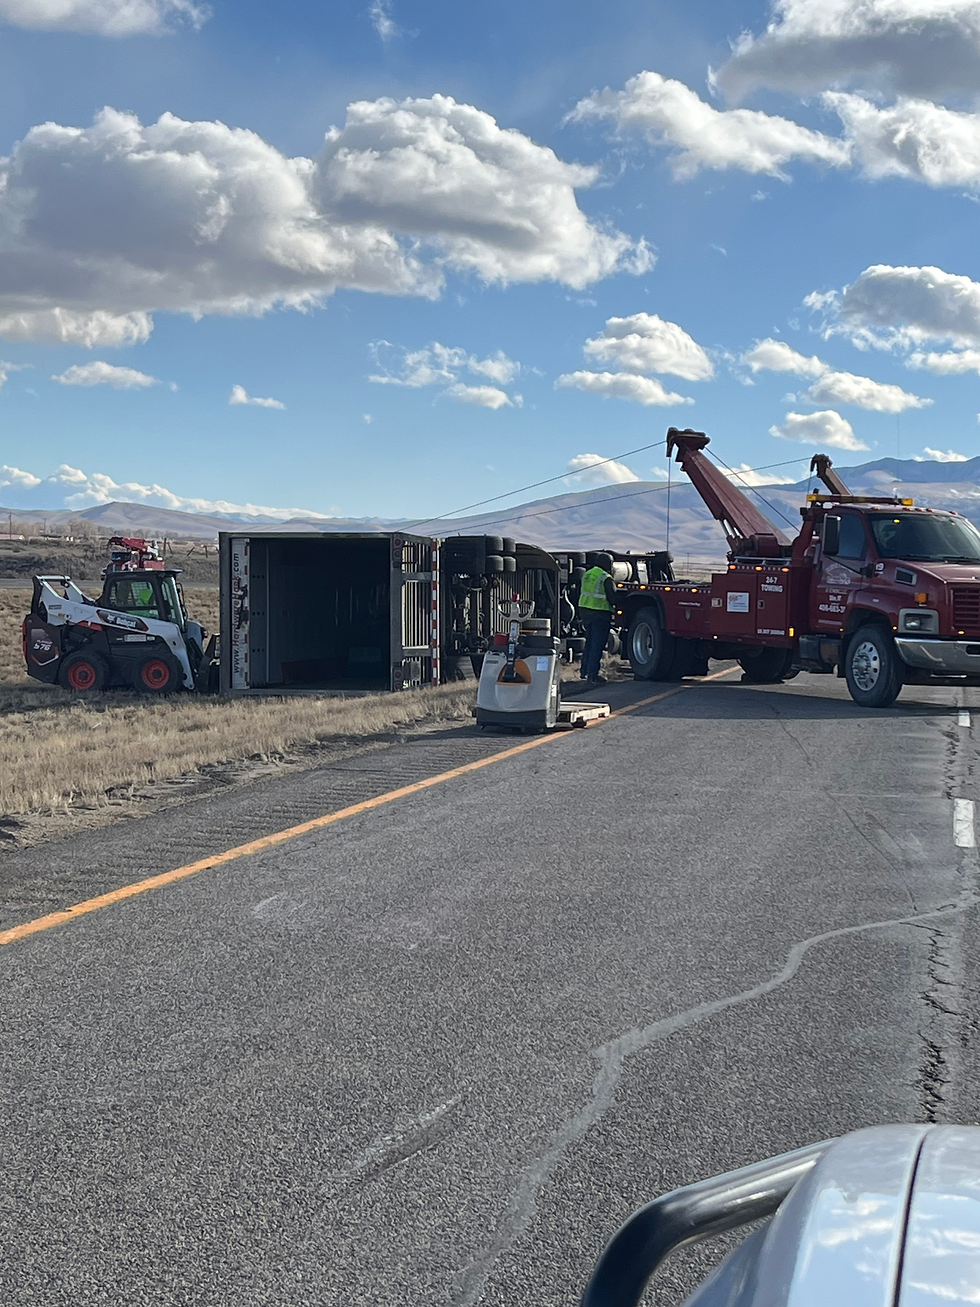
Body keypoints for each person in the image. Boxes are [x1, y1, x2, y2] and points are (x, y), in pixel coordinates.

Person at [577, 552, 616, 684]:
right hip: (600, 613)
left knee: (589, 643)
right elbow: (612, 598)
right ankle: (593, 675)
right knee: (597, 645)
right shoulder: (605, 577)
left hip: (585, 612)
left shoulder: (588, 574)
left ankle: (584, 671)